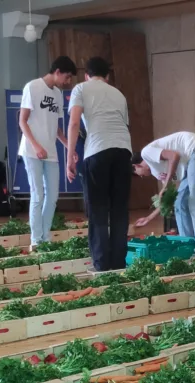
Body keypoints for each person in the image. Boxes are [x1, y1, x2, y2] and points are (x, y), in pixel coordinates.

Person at [66, 56, 132, 271]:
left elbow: (74, 123)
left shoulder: (80, 88)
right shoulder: (119, 94)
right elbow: (124, 125)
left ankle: (101, 264)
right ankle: (119, 263)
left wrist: (70, 157)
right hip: (123, 151)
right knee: (119, 209)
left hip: (97, 151)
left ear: (86, 75)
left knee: (98, 209)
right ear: (107, 76)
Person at [19, 56, 78, 247]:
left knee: (52, 197)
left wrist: (68, 145)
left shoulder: (58, 94)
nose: (67, 81)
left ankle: (45, 236)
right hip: (32, 151)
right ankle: (36, 240)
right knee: (37, 195)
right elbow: (22, 121)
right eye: (67, 77)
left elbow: (57, 128)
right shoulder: (32, 87)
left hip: (51, 152)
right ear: (57, 72)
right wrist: (36, 146)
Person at [132, 131, 195, 258]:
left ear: (136, 165)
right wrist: (149, 218)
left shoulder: (146, 153)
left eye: (139, 174)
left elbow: (174, 156)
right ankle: (188, 247)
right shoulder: (156, 171)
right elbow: (168, 197)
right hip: (191, 159)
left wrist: (166, 183)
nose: (142, 176)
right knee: (179, 203)